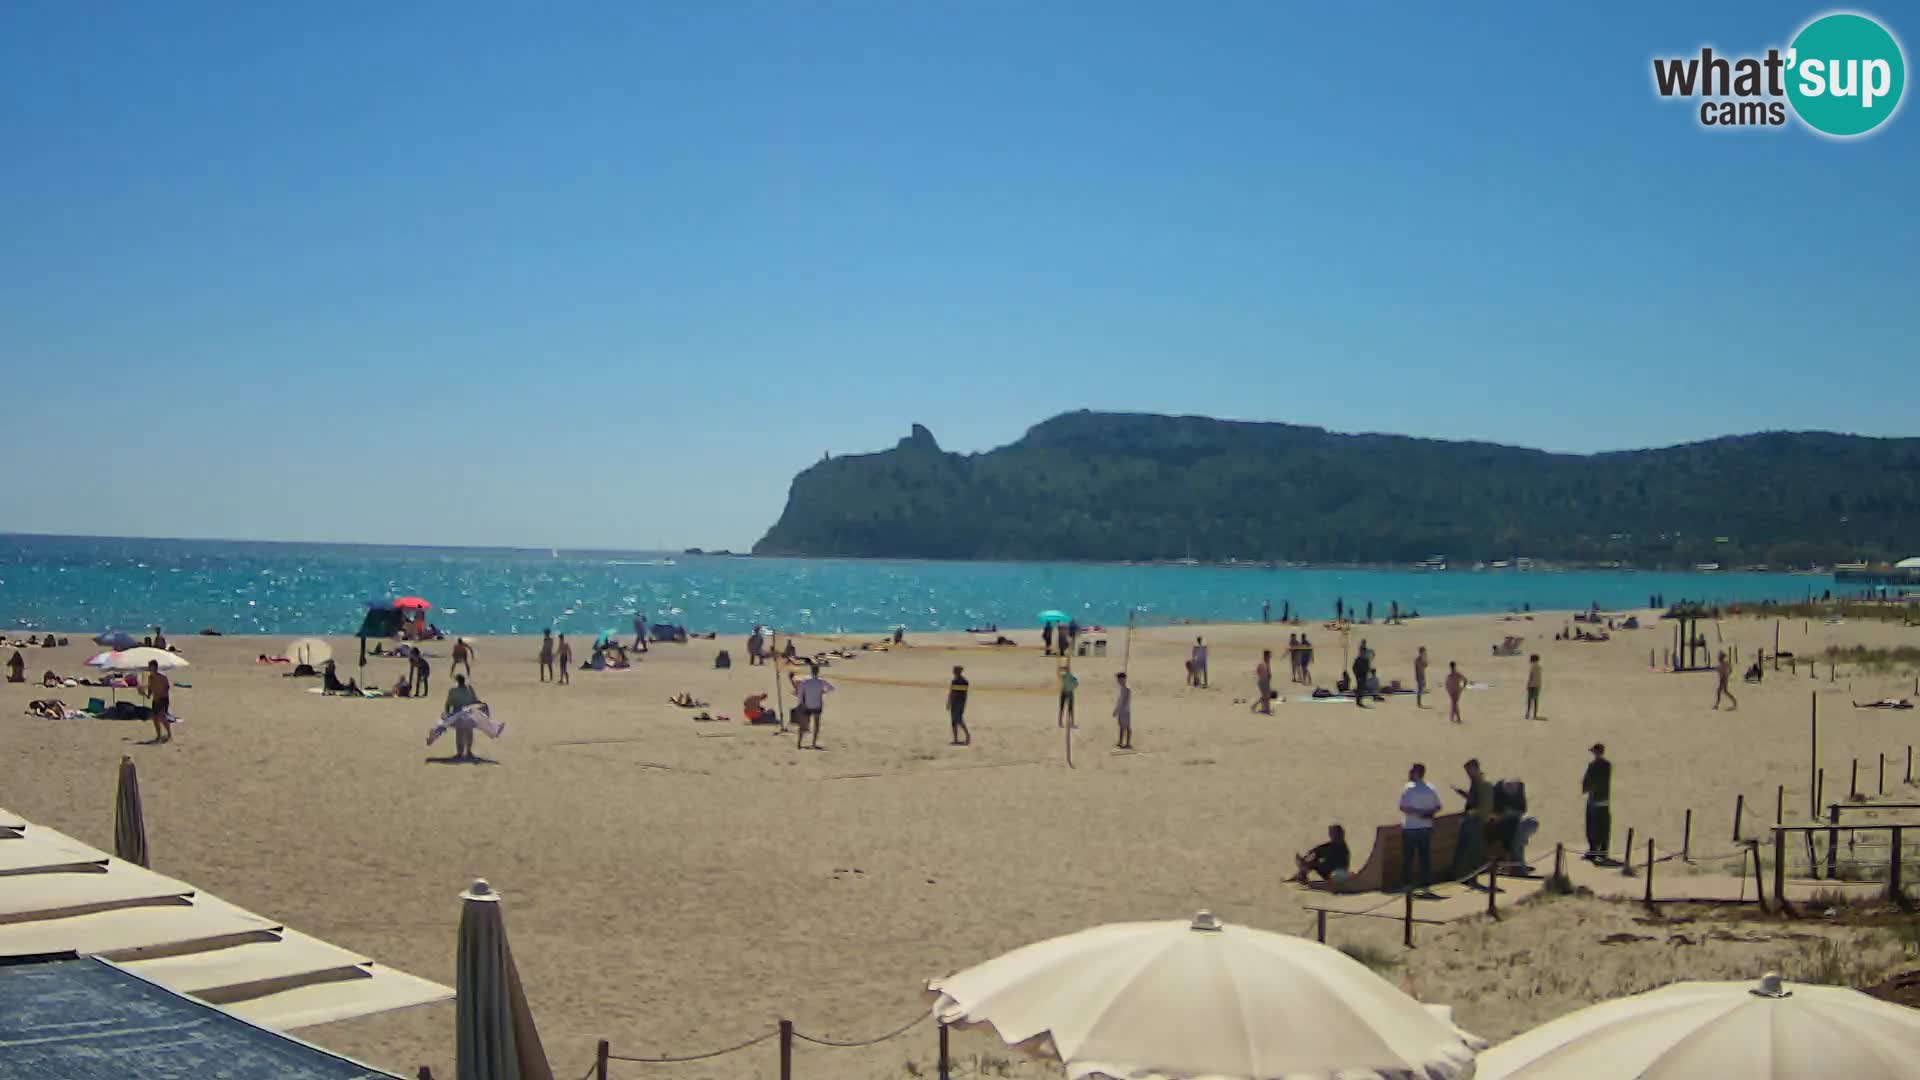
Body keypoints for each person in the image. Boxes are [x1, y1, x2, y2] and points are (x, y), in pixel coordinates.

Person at [1398, 763, 1441, 895]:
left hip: (1411, 827)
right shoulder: (1431, 788)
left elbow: (1403, 807)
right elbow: (1438, 806)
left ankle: (1407, 885)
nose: (1409, 773)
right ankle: (1425, 885)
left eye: (1411, 771)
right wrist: (1427, 813)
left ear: (1416, 773)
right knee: (1424, 858)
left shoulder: (1408, 788)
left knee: (1408, 858)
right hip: (1426, 827)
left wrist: (1417, 812)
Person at [1452, 759, 1492, 878]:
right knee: (1463, 849)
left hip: (1475, 821)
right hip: (1470, 820)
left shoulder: (1484, 784)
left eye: (1469, 770)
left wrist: (1471, 814)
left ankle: (1472, 876)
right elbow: (1474, 800)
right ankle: (1462, 875)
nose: (1468, 774)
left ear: (1476, 769)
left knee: (1472, 850)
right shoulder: (1475, 783)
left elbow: (1486, 806)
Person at [1582, 743, 1612, 862]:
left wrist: (1587, 789)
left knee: (1593, 826)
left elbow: (1589, 781)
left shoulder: (1593, 765)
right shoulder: (1607, 765)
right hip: (1604, 799)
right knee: (1603, 826)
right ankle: (1603, 851)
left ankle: (1594, 851)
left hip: (1594, 800)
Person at [444, 674, 482, 761]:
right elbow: (475, 700)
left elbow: (448, 703)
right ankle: (468, 751)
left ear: (457, 681)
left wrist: (447, 714)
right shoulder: (469, 689)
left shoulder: (453, 690)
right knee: (469, 733)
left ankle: (460, 753)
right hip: (469, 713)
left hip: (458, 713)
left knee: (460, 733)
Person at [795, 664, 834, 749]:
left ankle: (799, 743)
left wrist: (801, 703)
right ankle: (813, 743)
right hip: (817, 705)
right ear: (818, 671)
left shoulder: (805, 681)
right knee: (816, 725)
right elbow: (831, 688)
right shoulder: (821, 681)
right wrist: (823, 691)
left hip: (806, 705)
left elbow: (800, 694)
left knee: (803, 725)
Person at [143, 659, 174, 743]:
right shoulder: (150, 678)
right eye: (150, 668)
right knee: (155, 719)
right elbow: (150, 690)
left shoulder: (162, 677)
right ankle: (159, 735)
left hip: (163, 699)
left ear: (156, 668)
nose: (151, 670)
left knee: (162, 717)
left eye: (152, 668)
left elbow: (167, 687)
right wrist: (145, 693)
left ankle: (169, 734)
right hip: (155, 700)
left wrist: (161, 693)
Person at [947, 665, 971, 746]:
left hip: (956, 702)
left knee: (957, 720)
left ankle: (966, 736)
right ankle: (956, 739)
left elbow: (952, 693)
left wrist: (949, 702)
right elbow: (964, 694)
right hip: (960, 702)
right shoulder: (965, 681)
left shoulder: (955, 681)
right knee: (955, 720)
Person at [1113, 671, 1132, 749]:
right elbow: (1119, 700)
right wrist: (1116, 710)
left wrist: (1119, 709)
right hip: (1121, 711)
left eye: (1119, 679)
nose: (1118, 681)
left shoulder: (1127, 689)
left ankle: (1128, 743)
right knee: (1121, 727)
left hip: (1125, 711)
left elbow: (1125, 701)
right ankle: (1120, 742)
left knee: (1127, 727)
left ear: (1123, 679)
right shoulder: (1121, 689)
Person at [1252, 649, 1273, 714]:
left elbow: (1269, 672)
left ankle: (1265, 709)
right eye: (1269, 655)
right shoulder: (1262, 663)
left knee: (1266, 696)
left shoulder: (1267, 662)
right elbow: (1258, 670)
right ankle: (1265, 709)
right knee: (1266, 696)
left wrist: (1268, 676)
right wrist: (1262, 677)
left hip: (1266, 681)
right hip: (1262, 682)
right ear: (1266, 655)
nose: (1270, 656)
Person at [1351, 640, 1371, 708]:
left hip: (1362, 675)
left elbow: (1367, 667)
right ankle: (1359, 702)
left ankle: (1359, 701)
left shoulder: (1364, 659)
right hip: (1360, 675)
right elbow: (1354, 668)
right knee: (1360, 689)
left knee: (1361, 689)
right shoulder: (1360, 659)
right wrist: (1357, 675)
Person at [1057, 663, 1078, 727]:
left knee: (1063, 708)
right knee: (1069, 709)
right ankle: (1070, 723)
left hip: (1064, 692)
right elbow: (1076, 684)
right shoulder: (1070, 676)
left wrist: (1062, 668)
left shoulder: (1065, 676)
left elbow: (1076, 684)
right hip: (1068, 692)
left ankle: (1062, 723)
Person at [1524, 654, 1543, 720]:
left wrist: (1528, 684)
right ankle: (1535, 715)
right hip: (1537, 685)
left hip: (1531, 685)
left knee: (1529, 700)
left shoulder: (1532, 667)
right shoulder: (1539, 667)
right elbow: (1539, 677)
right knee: (1535, 700)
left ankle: (1528, 714)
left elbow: (1531, 676)